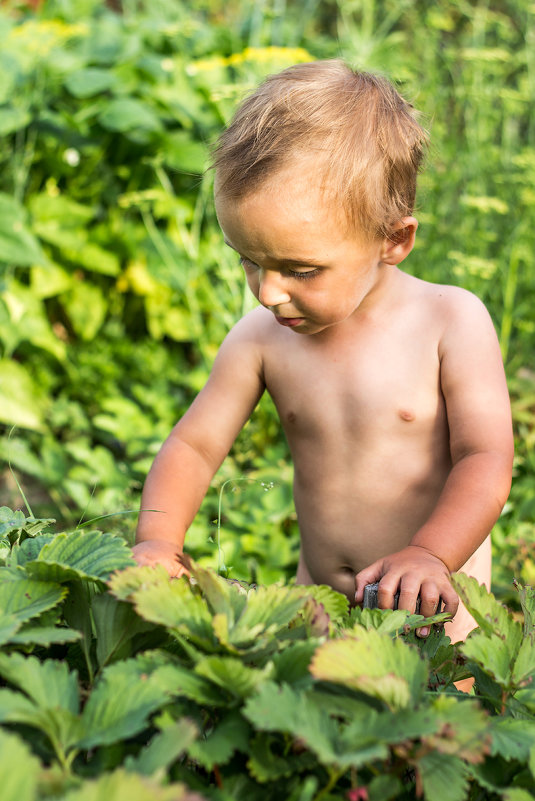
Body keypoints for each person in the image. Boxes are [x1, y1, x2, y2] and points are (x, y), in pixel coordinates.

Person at [133, 60, 513, 648]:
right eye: (249, 261)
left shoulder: (449, 323)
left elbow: (485, 459)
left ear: (394, 239)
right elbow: (194, 445)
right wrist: (158, 541)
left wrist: (429, 553)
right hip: (318, 608)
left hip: (433, 609)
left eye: (300, 269)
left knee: (436, 732)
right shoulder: (260, 339)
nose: (268, 292)